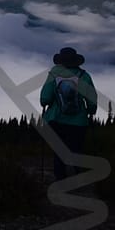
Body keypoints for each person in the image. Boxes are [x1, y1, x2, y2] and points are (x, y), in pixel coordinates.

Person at [39, 46, 98, 180]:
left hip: (57, 119)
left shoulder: (54, 74)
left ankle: (60, 177)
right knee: (76, 148)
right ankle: (77, 175)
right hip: (79, 122)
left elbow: (45, 99)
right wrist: (90, 111)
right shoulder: (84, 76)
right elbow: (91, 101)